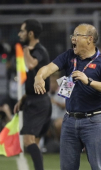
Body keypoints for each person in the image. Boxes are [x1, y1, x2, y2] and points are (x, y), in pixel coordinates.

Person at [33, 23, 101, 170]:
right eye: (73, 36)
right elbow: (48, 68)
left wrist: (89, 81)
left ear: (89, 39)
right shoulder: (69, 56)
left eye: (77, 35)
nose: (73, 39)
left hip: (93, 121)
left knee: (99, 167)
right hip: (70, 120)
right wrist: (39, 77)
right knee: (67, 167)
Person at [13, 19, 51, 170]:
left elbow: (31, 64)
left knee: (28, 140)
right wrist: (23, 98)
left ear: (30, 33)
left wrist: (26, 51)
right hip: (34, 99)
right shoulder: (33, 50)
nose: (19, 34)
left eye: (22, 31)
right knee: (33, 141)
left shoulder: (39, 50)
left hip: (39, 102)